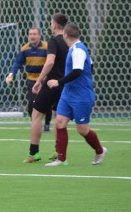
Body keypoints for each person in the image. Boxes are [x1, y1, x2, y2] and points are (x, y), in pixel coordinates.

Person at [44, 22, 106, 166]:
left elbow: (78, 71)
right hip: (68, 94)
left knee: (82, 129)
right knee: (60, 122)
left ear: (65, 35)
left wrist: (58, 82)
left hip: (81, 96)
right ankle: (61, 158)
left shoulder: (78, 50)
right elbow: (90, 66)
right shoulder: (75, 49)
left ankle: (100, 151)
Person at [23, 13, 70, 163]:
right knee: (59, 117)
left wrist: (39, 80)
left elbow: (50, 62)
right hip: (66, 84)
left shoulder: (54, 41)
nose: (50, 25)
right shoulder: (71, 41)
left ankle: (34, 153)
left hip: (52, 84)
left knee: (36, 115)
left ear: (55, 25)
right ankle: (58, 151)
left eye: (51, 22)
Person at [5, 27, 49, 129]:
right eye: (30, 34)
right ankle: (34, 122)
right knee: (31, 103)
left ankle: (47, 123)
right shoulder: (25, 49)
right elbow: (18, 63)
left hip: (45, 79)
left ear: (39, 36)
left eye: (34, 34)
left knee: (47, 103)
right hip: (32, 80)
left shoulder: (47, 47)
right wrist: (11, 74)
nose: (32, 36)